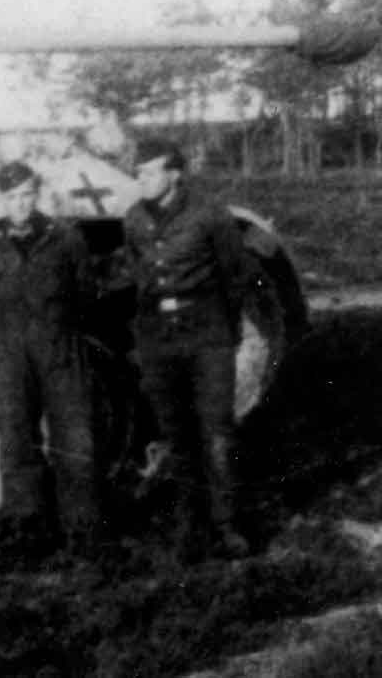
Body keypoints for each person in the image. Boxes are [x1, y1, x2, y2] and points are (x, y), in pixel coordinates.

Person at [119, 138, 252, 561]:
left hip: (206, 332)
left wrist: (222, 330)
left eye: (150, 171)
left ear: (175, 174)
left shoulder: (210, 214)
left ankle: (227, 526)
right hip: (160, 337)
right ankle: (188, 526)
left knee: (216, 432)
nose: (141, 178)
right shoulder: (134, 218)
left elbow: (236, 273)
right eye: (137, 171)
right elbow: (139, 274)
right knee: (177, 436)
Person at [0, 160, 102, 549]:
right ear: (3, 199)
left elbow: (85, 293)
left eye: (27, 195)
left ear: (36, 195)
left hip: (60, 346)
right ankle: (28, 531)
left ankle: (83, 531)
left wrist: (58, 325)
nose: (21, 204)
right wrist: (8, 331)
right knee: (17, 438)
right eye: (12, 197)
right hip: (10, 351)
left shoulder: (65, 238)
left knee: (74, 438)